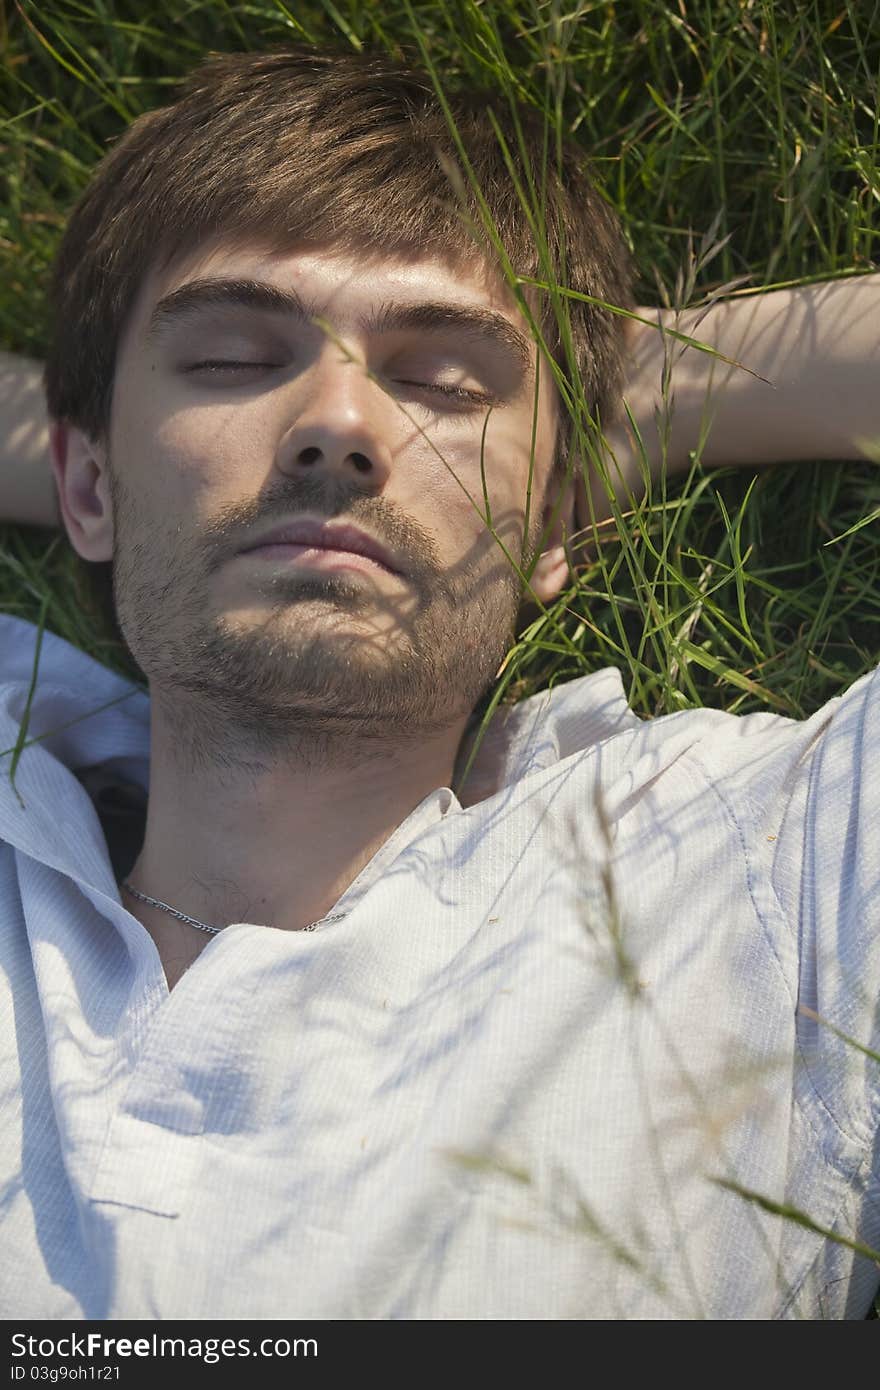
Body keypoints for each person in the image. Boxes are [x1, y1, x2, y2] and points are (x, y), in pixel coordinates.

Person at [0, 45, 877, 1322]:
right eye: (234, 359)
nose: (338, 423)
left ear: (555, 516)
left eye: (445, 382)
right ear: (80, 487)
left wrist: (648, 386)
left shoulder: (760, 880)